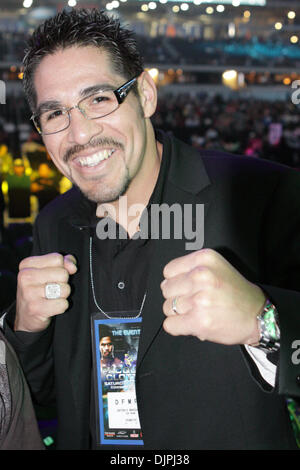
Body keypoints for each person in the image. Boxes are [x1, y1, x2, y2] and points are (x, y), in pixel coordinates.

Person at [1, 8, 300, 450]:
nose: (79, 134)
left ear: (144, 94)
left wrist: (265, 323)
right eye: (55, 114)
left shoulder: (258, 195)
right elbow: (46, 398)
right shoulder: (54, 224)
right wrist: (26, 328)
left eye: (99, 99)